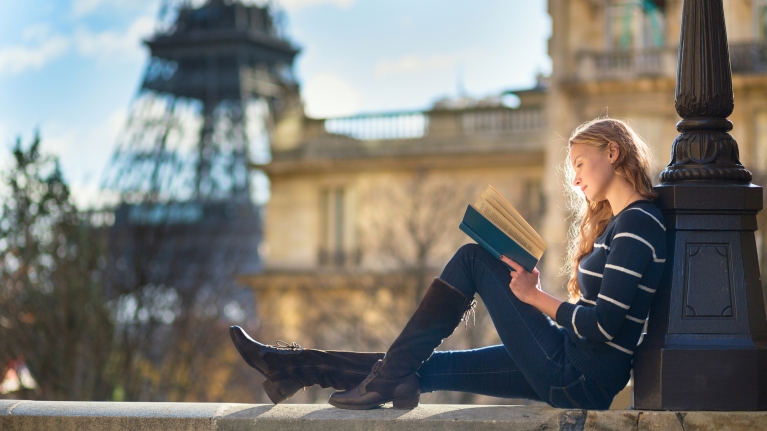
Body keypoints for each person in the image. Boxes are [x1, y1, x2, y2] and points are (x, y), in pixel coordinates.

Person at [230, 117, 666, 410]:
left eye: (579, 163)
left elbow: (604, 326)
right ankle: (295, 368)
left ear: (612, 152)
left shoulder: (637, 224)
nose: (574, 178)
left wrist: (536, 297)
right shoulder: (625, 224)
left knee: (474, 258)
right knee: (421, 370)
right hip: (570, 362)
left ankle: (323, 372)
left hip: (579, 375)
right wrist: (532, 293)